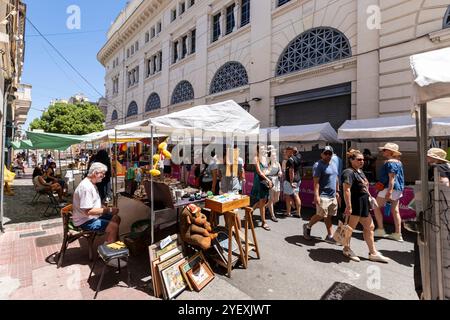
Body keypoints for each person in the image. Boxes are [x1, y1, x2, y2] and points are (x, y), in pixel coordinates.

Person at [341, 149, 390, 263]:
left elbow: (364, 186)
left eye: (363, 159)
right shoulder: (348, 172)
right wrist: (348, 206)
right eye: (359, 159)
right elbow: (346, 190)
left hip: (363, 204)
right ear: (351, 160)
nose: (362, 161)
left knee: (370, 227)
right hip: (355, 204)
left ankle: (373, 253)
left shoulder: (359, 171)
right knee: (349, 229)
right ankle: (346, 249)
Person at [72, 162, 122, 247]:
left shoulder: (91, 184)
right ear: (95, 173)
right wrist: (108, 210)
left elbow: (93, 204)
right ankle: (108, 252)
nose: (104, 176)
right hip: (84, 221)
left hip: (89, 217)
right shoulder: (86, 187)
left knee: (116, 218)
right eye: (102, 174)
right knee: (113, 227)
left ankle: (108, 242)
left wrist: (105, 208)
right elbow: (88, 211)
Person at [303, 146, 340, 242]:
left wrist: (337, 191)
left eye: (330, 153)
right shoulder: (318, 165)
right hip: (323, 195)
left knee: (329, 216)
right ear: (322, 154)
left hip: (332, 195)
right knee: (321, 215)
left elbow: (336, 178)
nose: (328, 155)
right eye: (326, 153)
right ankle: (308, 226)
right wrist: (316, 196)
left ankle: (330, 235)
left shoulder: (334, 164)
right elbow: (316, 182)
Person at [373, 143, 405, 242]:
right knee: (395, 211)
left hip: (388, 188)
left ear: (390, 152)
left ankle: (381, 229)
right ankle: (398, 233)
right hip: (398, 189)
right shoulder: (399, 162)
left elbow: (392, 178)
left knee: (375, 206)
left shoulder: (390, 163)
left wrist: (389, 191)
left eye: (385, 150)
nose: (383, 151)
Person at [251, 145, 272, 231]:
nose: (264, 151)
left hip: (265, 181)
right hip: (260, 181)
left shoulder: (266, 158)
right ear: (258, 150)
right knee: (263, 201)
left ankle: (251, 211)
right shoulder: (256, 158)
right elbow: (259, 172)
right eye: (262, 149)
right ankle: (264, 222)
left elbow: (268, 169)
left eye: (265, 149)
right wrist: (268, 179)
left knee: (264, 201)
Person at [283, 146, 302, 218]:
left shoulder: (290, 160)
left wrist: (291, 182)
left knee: (288, 196)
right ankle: (298, 212)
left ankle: (288, 212)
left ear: (290, 151)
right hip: (298, 179)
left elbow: (291, 171)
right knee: (296, 195)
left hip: (291, 180)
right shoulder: (299, 156)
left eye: (286, 151)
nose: (285, 152)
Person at [266, 146, 282, 222]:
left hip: (277, 181)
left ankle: (266, 206)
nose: (275, 157)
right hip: (270, 181)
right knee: (271, 199)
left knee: (277, 199)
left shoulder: (278, 163)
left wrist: (280, 172)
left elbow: (280, 171)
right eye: (273, 155)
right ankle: (273, 216)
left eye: (275, 155)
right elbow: (265, 173)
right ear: (270, 157)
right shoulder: (268, 164)